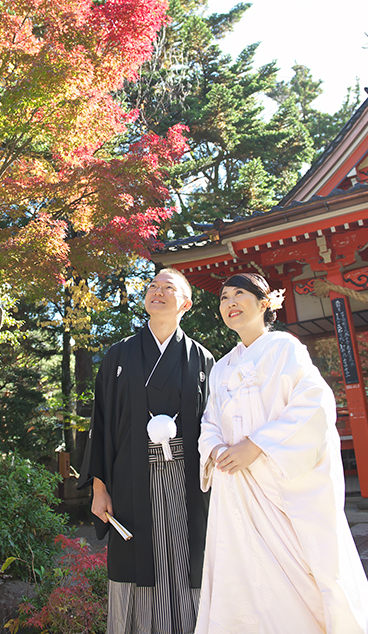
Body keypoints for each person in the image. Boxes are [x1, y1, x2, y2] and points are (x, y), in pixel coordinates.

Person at [195, 272, 368, 634]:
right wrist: (217, 449)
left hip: (278, 483)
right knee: (242, 574)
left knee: (307, 570)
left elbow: (313, 404)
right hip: (237, 487)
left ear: (265, 303)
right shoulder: (221, 368)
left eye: (239, 294)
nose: (230, 302)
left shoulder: (285, 347)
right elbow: (209, 421)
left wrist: (256, 445)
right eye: (223, 297)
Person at [79, 267, 214, 634]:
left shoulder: (202, 360)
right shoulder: (118, 355)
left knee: (188, 557)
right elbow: (102, 424)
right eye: (152, 286)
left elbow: (216, 428)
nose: (156, 291)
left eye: (167, 288)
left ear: (185, 302)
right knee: (135, 559)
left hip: (188, 479)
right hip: (130, 477)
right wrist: (99, 488)